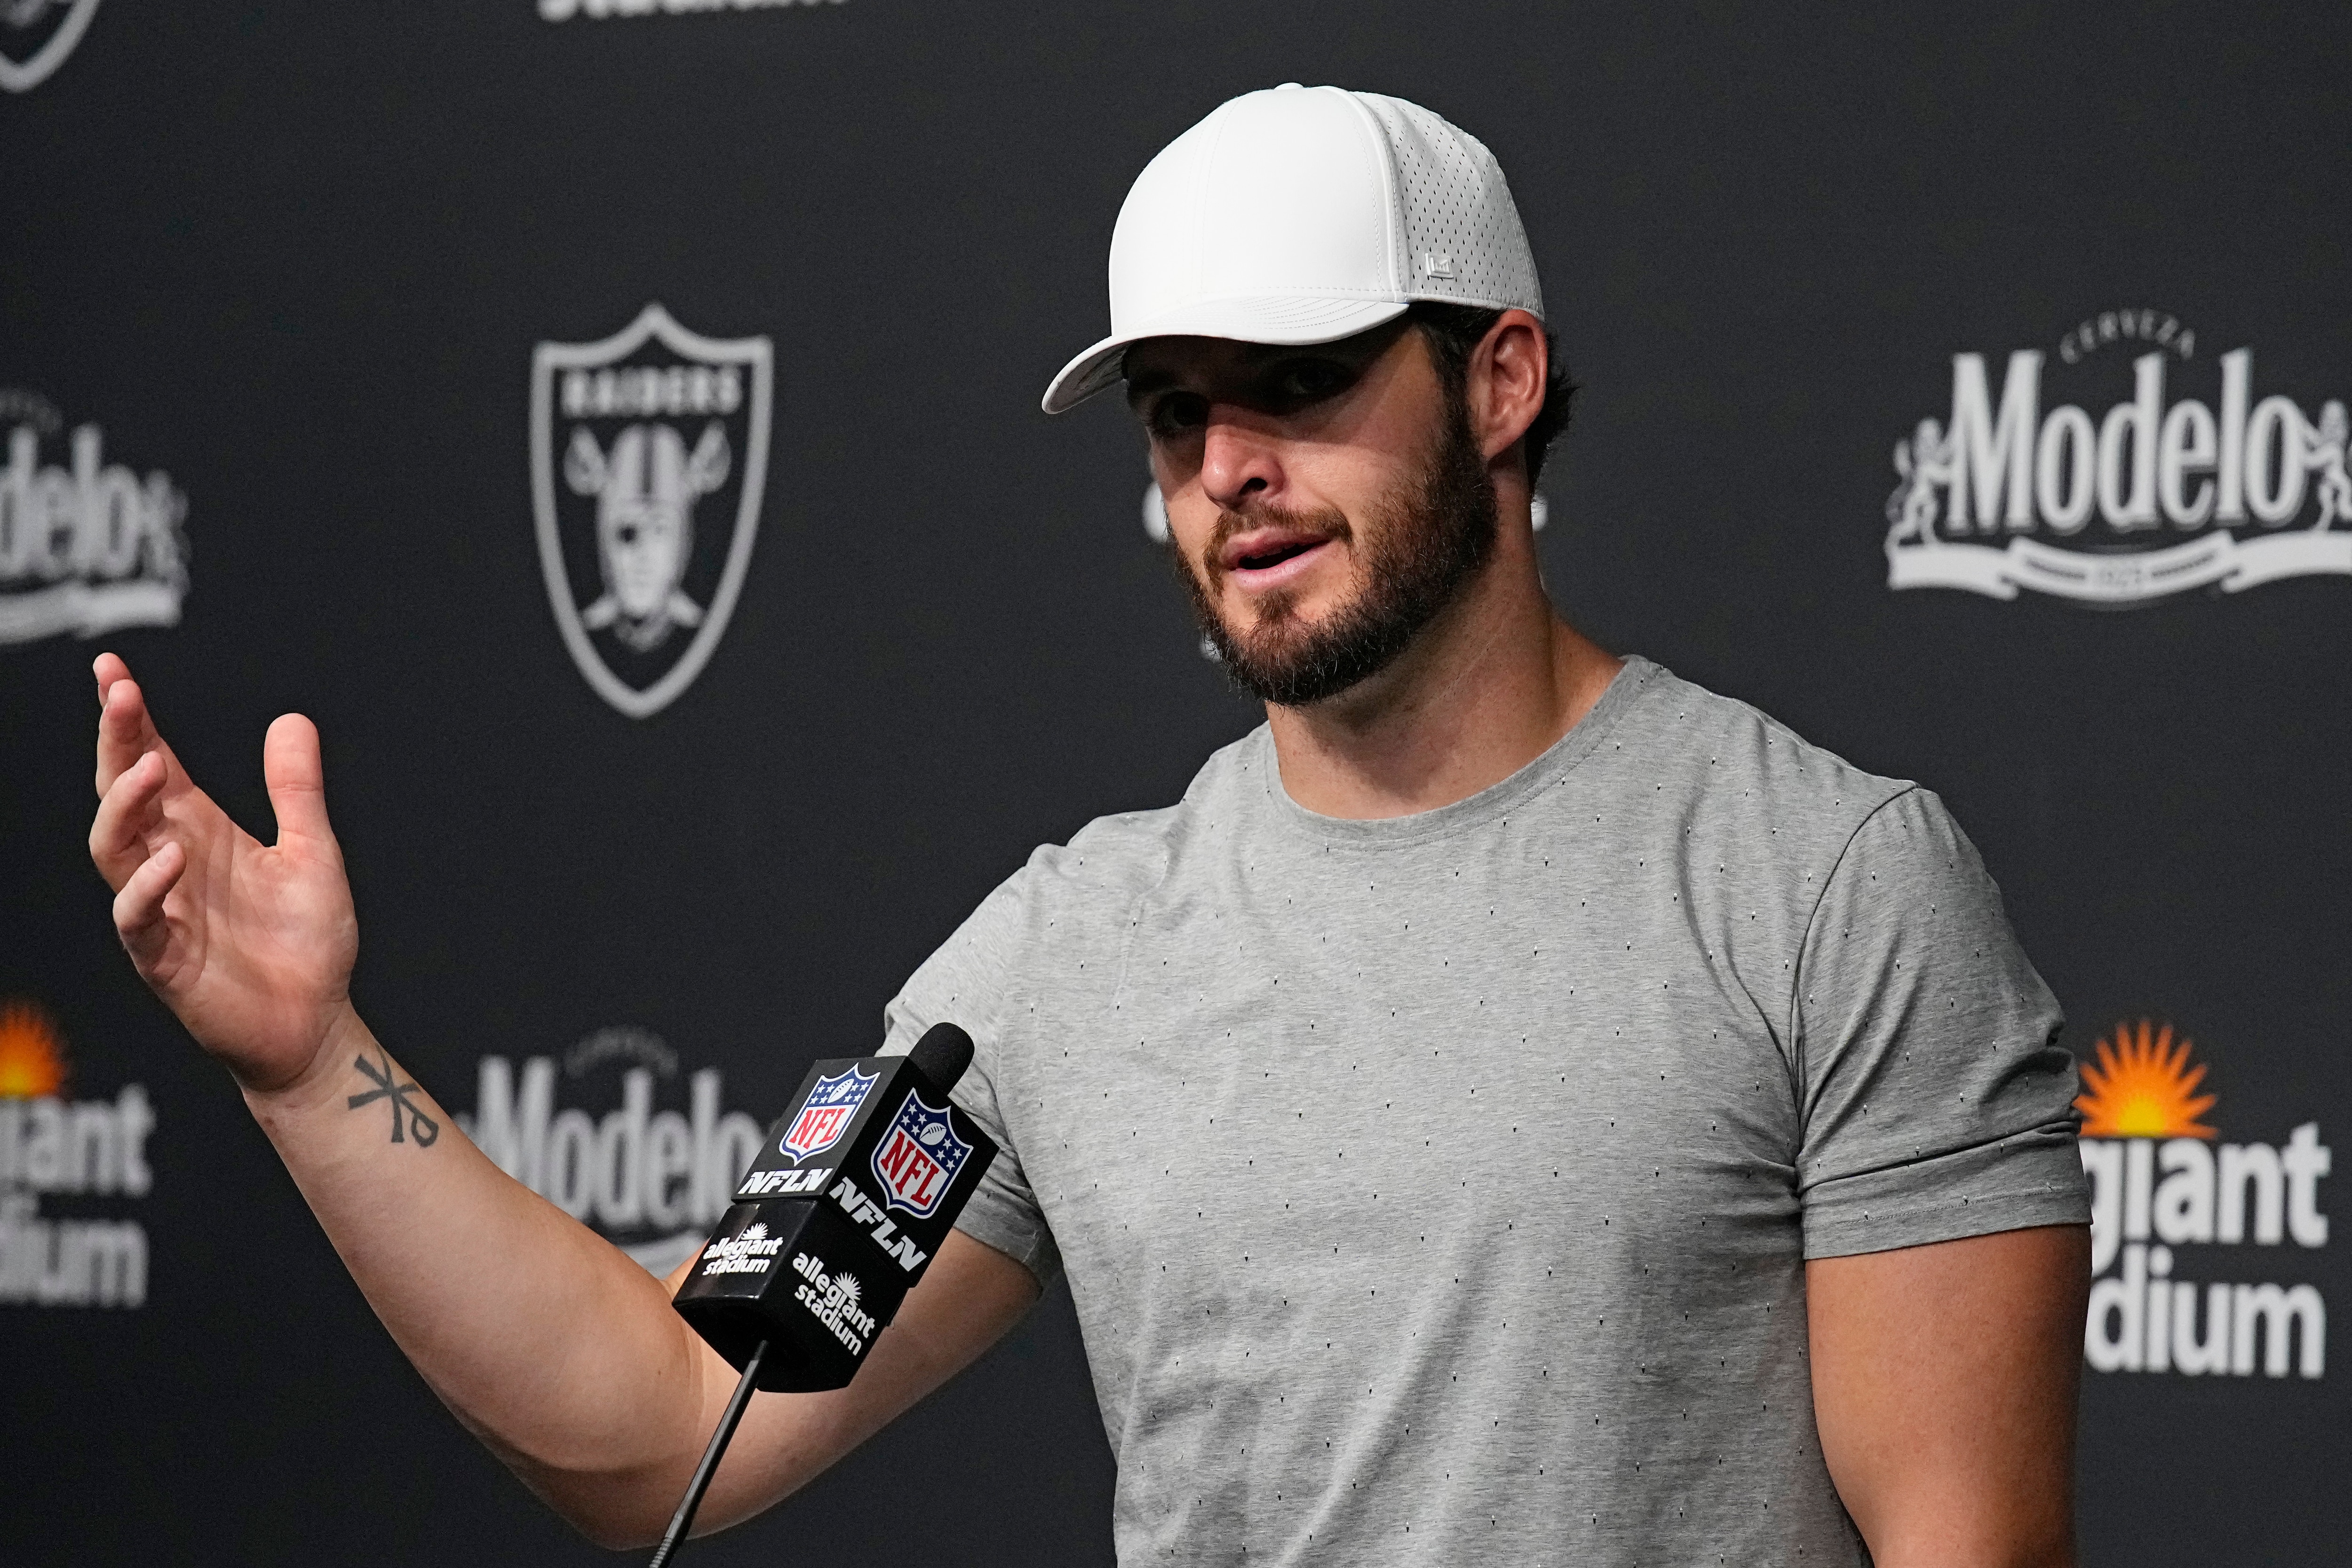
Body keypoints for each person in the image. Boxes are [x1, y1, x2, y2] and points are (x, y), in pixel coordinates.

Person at [86, 84, 2090, 1568]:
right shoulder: (1057, 961)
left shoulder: (1828, 887)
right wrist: (307, 1065)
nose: (1228, 470)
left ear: (1498, 380)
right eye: (1171, 411)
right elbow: (660, 1423)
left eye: (1296, 384)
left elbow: (1962, 1546)